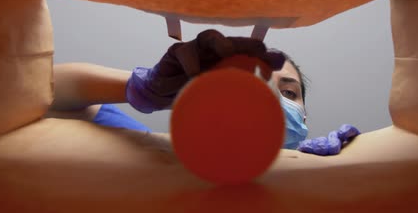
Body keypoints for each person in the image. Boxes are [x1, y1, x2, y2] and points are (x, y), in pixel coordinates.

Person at [48, 30, 358, 156]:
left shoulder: (320, 185)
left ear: (305, 117)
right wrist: (143, 89)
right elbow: (44, 95)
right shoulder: (150, 158)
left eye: (289, 94)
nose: (268, 101)